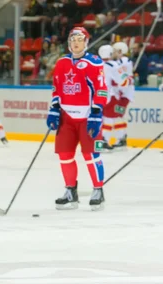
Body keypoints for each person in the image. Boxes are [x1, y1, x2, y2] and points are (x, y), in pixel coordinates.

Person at [47, 27, 108, 211]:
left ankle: (98, 190)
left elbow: (101, 90)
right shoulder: (62, 63)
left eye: (80, 39)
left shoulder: (94, 63)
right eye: (73, 39)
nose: (76, 42)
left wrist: (97, 114)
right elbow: (57, 88)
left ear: (86, 42)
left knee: (91, 154)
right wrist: (54, 110)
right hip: (67, 117)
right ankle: (70, 192)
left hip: (88, 116)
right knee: (65, 155)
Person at [98, 44, 122, 151]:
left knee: (99, 119)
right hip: (109, 95)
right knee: (109, 118)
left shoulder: (95, 64)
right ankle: (104, 141)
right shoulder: (113, 65)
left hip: (96, 96)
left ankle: (97, 142)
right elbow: (122, 81)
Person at [110, 41, 134, 149]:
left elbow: (121, 79)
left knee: (118, 115)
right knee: (118, 115)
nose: (113, 53)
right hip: (123, 93)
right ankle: (122, 137)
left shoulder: (123, 61)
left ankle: (121, 139)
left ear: (120, 51)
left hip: (124, 94)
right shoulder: (123, 61)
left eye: (114, 51)